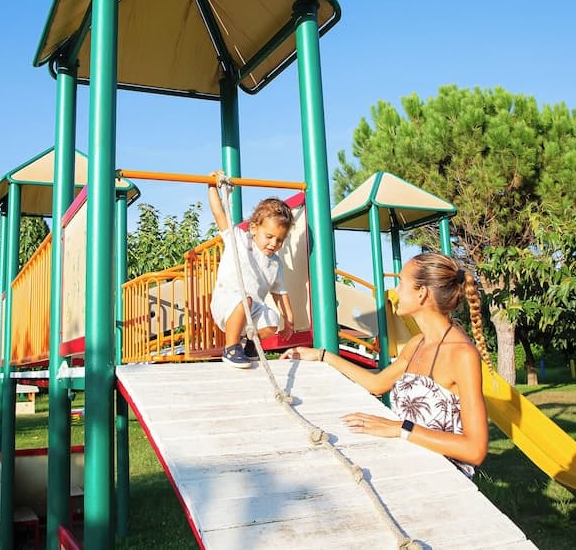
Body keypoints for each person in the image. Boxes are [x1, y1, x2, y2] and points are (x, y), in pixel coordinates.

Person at [281, 252, 490, 477]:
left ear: (422, 293)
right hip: (409, 468)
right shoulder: (416, 344)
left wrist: (400, 428)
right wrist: (322, 356)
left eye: (401, 283)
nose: (396, 290)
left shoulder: (461, 354)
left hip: (444, 480)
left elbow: (475, 450)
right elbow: (377, 384)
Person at [208, 171, 296, 368]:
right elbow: (219, 214)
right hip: (227, 304)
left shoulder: (274, 263)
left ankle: (248, 344)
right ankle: (231, 348)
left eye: (280, 240)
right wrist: (212, 187)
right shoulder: (238, 239)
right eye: (269, 236)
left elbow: (280, 292)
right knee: (245, 300)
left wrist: (289, 318)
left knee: (272, 320)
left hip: (251, 309)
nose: (274, 243)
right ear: (254, 228)